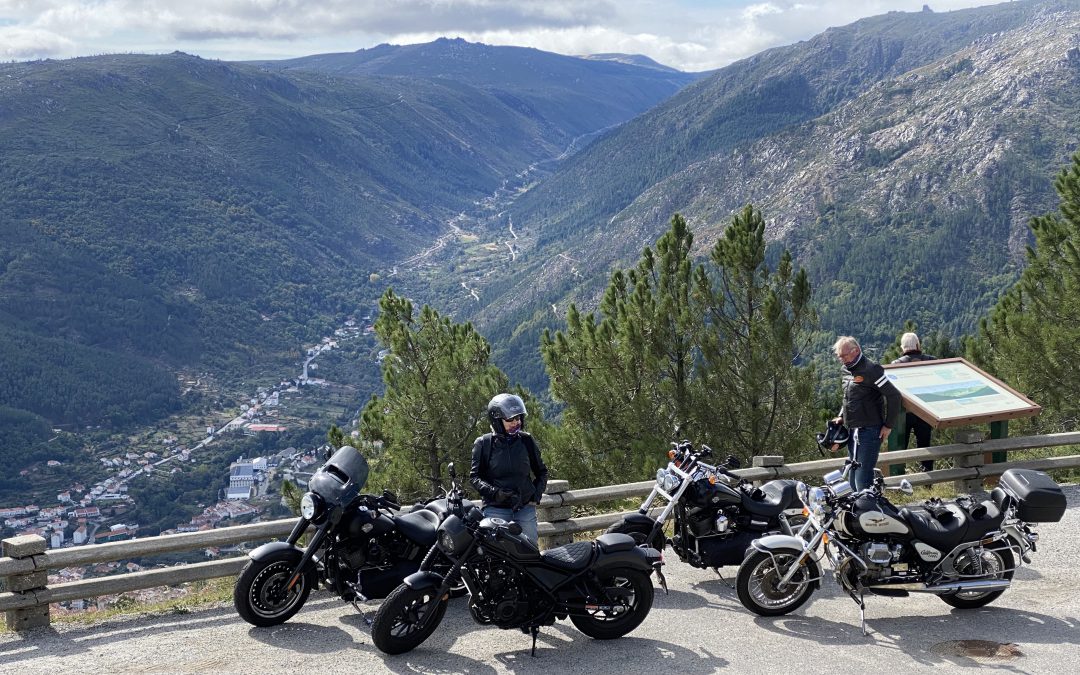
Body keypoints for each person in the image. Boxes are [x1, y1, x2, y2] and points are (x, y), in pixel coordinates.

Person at [469, 393, 548, 545]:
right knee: (497, 553)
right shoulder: (484, 444)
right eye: (510, 419)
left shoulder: (526, 440)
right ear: (497, 421)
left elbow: (541, 471)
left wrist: (535, 496)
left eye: (518, 418)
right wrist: (496, 493)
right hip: (495, 509)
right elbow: (475, 477)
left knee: (529, 551)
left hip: (525, 508)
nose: (515, 422)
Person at [831, 336, 902, 491]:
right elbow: (848, 396)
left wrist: (888, 425)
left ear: (856, 351)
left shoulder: (872, 369)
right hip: (853, 430)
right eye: (839, 356)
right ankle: (855, 514)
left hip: (870, 430)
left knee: (862, 478)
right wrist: (841, 416)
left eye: (844, 355)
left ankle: (871, 512)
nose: (841, 359)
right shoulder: (846, 369)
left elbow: (894, 396)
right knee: (852, 476)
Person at [891, 332, 937, 472]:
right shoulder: (932, 360)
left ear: (903, 348)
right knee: (925, 446)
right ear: (918, 345)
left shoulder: (896, 364)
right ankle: (927, 477)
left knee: (901, 446)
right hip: (925, 411)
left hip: (904, 412)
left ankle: (899, 475)